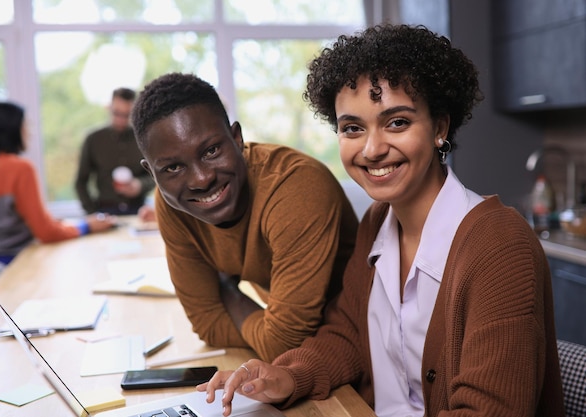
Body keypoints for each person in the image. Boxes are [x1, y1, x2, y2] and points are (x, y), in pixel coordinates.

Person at [198, 24, 565, 417]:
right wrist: (282, 377)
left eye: (397, 122)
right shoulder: (378, 221)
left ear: (440, 127)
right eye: (353, 128)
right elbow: (348, 336)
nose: (372, 149)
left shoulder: (500, 247)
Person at [130, 72, 359, 362]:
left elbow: (284, 344)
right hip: (298, 364)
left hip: (362, 347)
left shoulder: (296, 186)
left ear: (237, 139)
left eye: (211, 150)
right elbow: (207, 325)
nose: (201, 179)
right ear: (152, 174)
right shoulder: (173, 204)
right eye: (173, 168)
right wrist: (267, 331)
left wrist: (228, 292)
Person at [0, 101, 116, 301]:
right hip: (12, 264)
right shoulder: (20, 169)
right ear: (13, 129)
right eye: (25, 126)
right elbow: (44, 232)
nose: (29, 133)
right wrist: (85, 227)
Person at [75, 87, 155, 215]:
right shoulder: (93, 139)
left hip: (138, 211)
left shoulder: (143, 138)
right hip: (104, 211)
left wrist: (140, 185)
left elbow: (156, 176)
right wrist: (92, 212)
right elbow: (81, 182)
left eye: (126, 115)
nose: (121, 120)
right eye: (117, 113)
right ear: (109, 107)